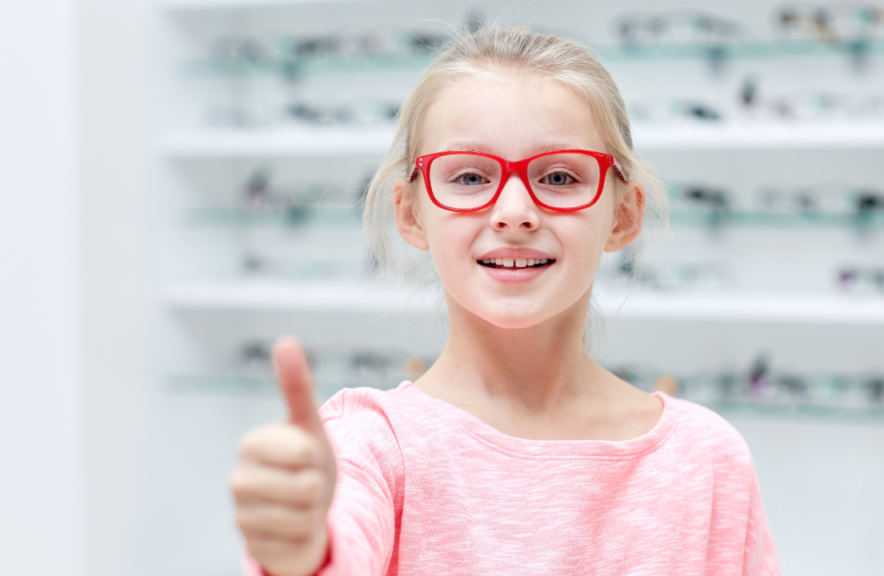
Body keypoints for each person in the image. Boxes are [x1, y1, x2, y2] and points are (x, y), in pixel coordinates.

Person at [229, 26, 780, 576]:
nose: (513, 211)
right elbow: (339, 542)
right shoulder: (373, 444)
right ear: (411, 213)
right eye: (469, 176)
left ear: (625, 214)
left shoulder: (707, 460)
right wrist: (303, 555)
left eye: (559, 176)